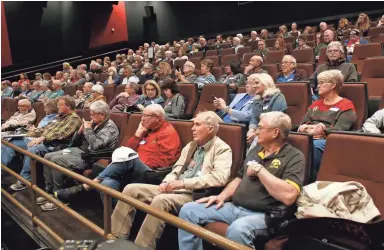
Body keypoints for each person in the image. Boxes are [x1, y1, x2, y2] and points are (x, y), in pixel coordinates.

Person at [178, 111, 305, 250]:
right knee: (188, 210)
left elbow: (289, 196)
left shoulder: (294, 157)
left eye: (261, 128)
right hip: (234, 207)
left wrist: (260, 171)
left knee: (238, 229)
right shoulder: (256, 150)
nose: (256, 132)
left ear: (275, 132)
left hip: (264, 215)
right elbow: (238, 179)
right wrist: (221, 196)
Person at [111, 111, 232, 249]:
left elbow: (219, 178)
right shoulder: (191, 146)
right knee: (130, 189)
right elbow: (176, 169)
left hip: (194, 195)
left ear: (210, 129)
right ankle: (116, 238)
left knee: (161, 200)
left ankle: (142, 247)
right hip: (175, 188)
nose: (192, 128)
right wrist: (165, 182)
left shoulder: (222, 148)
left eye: (197, 125)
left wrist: (183, 184)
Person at [55, 104, 182, 203]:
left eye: (146, 116)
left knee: (128, 157)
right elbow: (128, 149)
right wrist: (137, 135)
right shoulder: (145, 131)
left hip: (149, 173)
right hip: (129, 168)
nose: (142, 119)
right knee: (107, 184)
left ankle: (87, 186)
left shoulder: (168, 133)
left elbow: (166, 162)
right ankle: (116, 220)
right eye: (142, 115)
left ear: (158, 118)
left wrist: (134, 163)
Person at [39, 101, 119, 211]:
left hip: (91, 156)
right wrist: (80, 131)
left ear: (103, 115)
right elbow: (75, 141)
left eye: (93, 114)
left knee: (56, 160)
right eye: (90, 113)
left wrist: (87, 130)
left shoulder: (110, 127)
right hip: (80, 150)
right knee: (47, 156)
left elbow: (96, 145)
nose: (90, 116)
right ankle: (49, 191)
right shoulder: (95, 122)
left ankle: (59, 196)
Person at [2, 96, 82, 191]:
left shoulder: (74, 119)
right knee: (14, 141)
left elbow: (62, 133)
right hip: (43, 140)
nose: (57, 107)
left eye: (60, 105)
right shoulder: (59, 117)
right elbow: (43, 129)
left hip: (55, 145)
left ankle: (25, 180)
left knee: (33, 148)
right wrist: (25, 133)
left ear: (68, 106)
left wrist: (43, 137)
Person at [299, 70, 356, 181]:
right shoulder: (315, 104)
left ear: (333, 85)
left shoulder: (346, 105)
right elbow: (302, 124)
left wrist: (323, 130)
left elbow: (340, 129)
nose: (318, 86)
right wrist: (312, 129)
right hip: (310, 137)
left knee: (312, 146)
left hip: (332, 141)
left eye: (322, 82)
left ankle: (315, 180)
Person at [246, 73, 288, 146]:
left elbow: (274, 121)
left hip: (274, 131)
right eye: (253, 84)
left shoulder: (278, 97)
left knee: (256, 140)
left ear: (266, 83)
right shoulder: (257, 99)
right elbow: (254, 118)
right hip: (261, 130)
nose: (254, 86)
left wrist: (256, 133)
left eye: (257, 83)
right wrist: (251, 130)